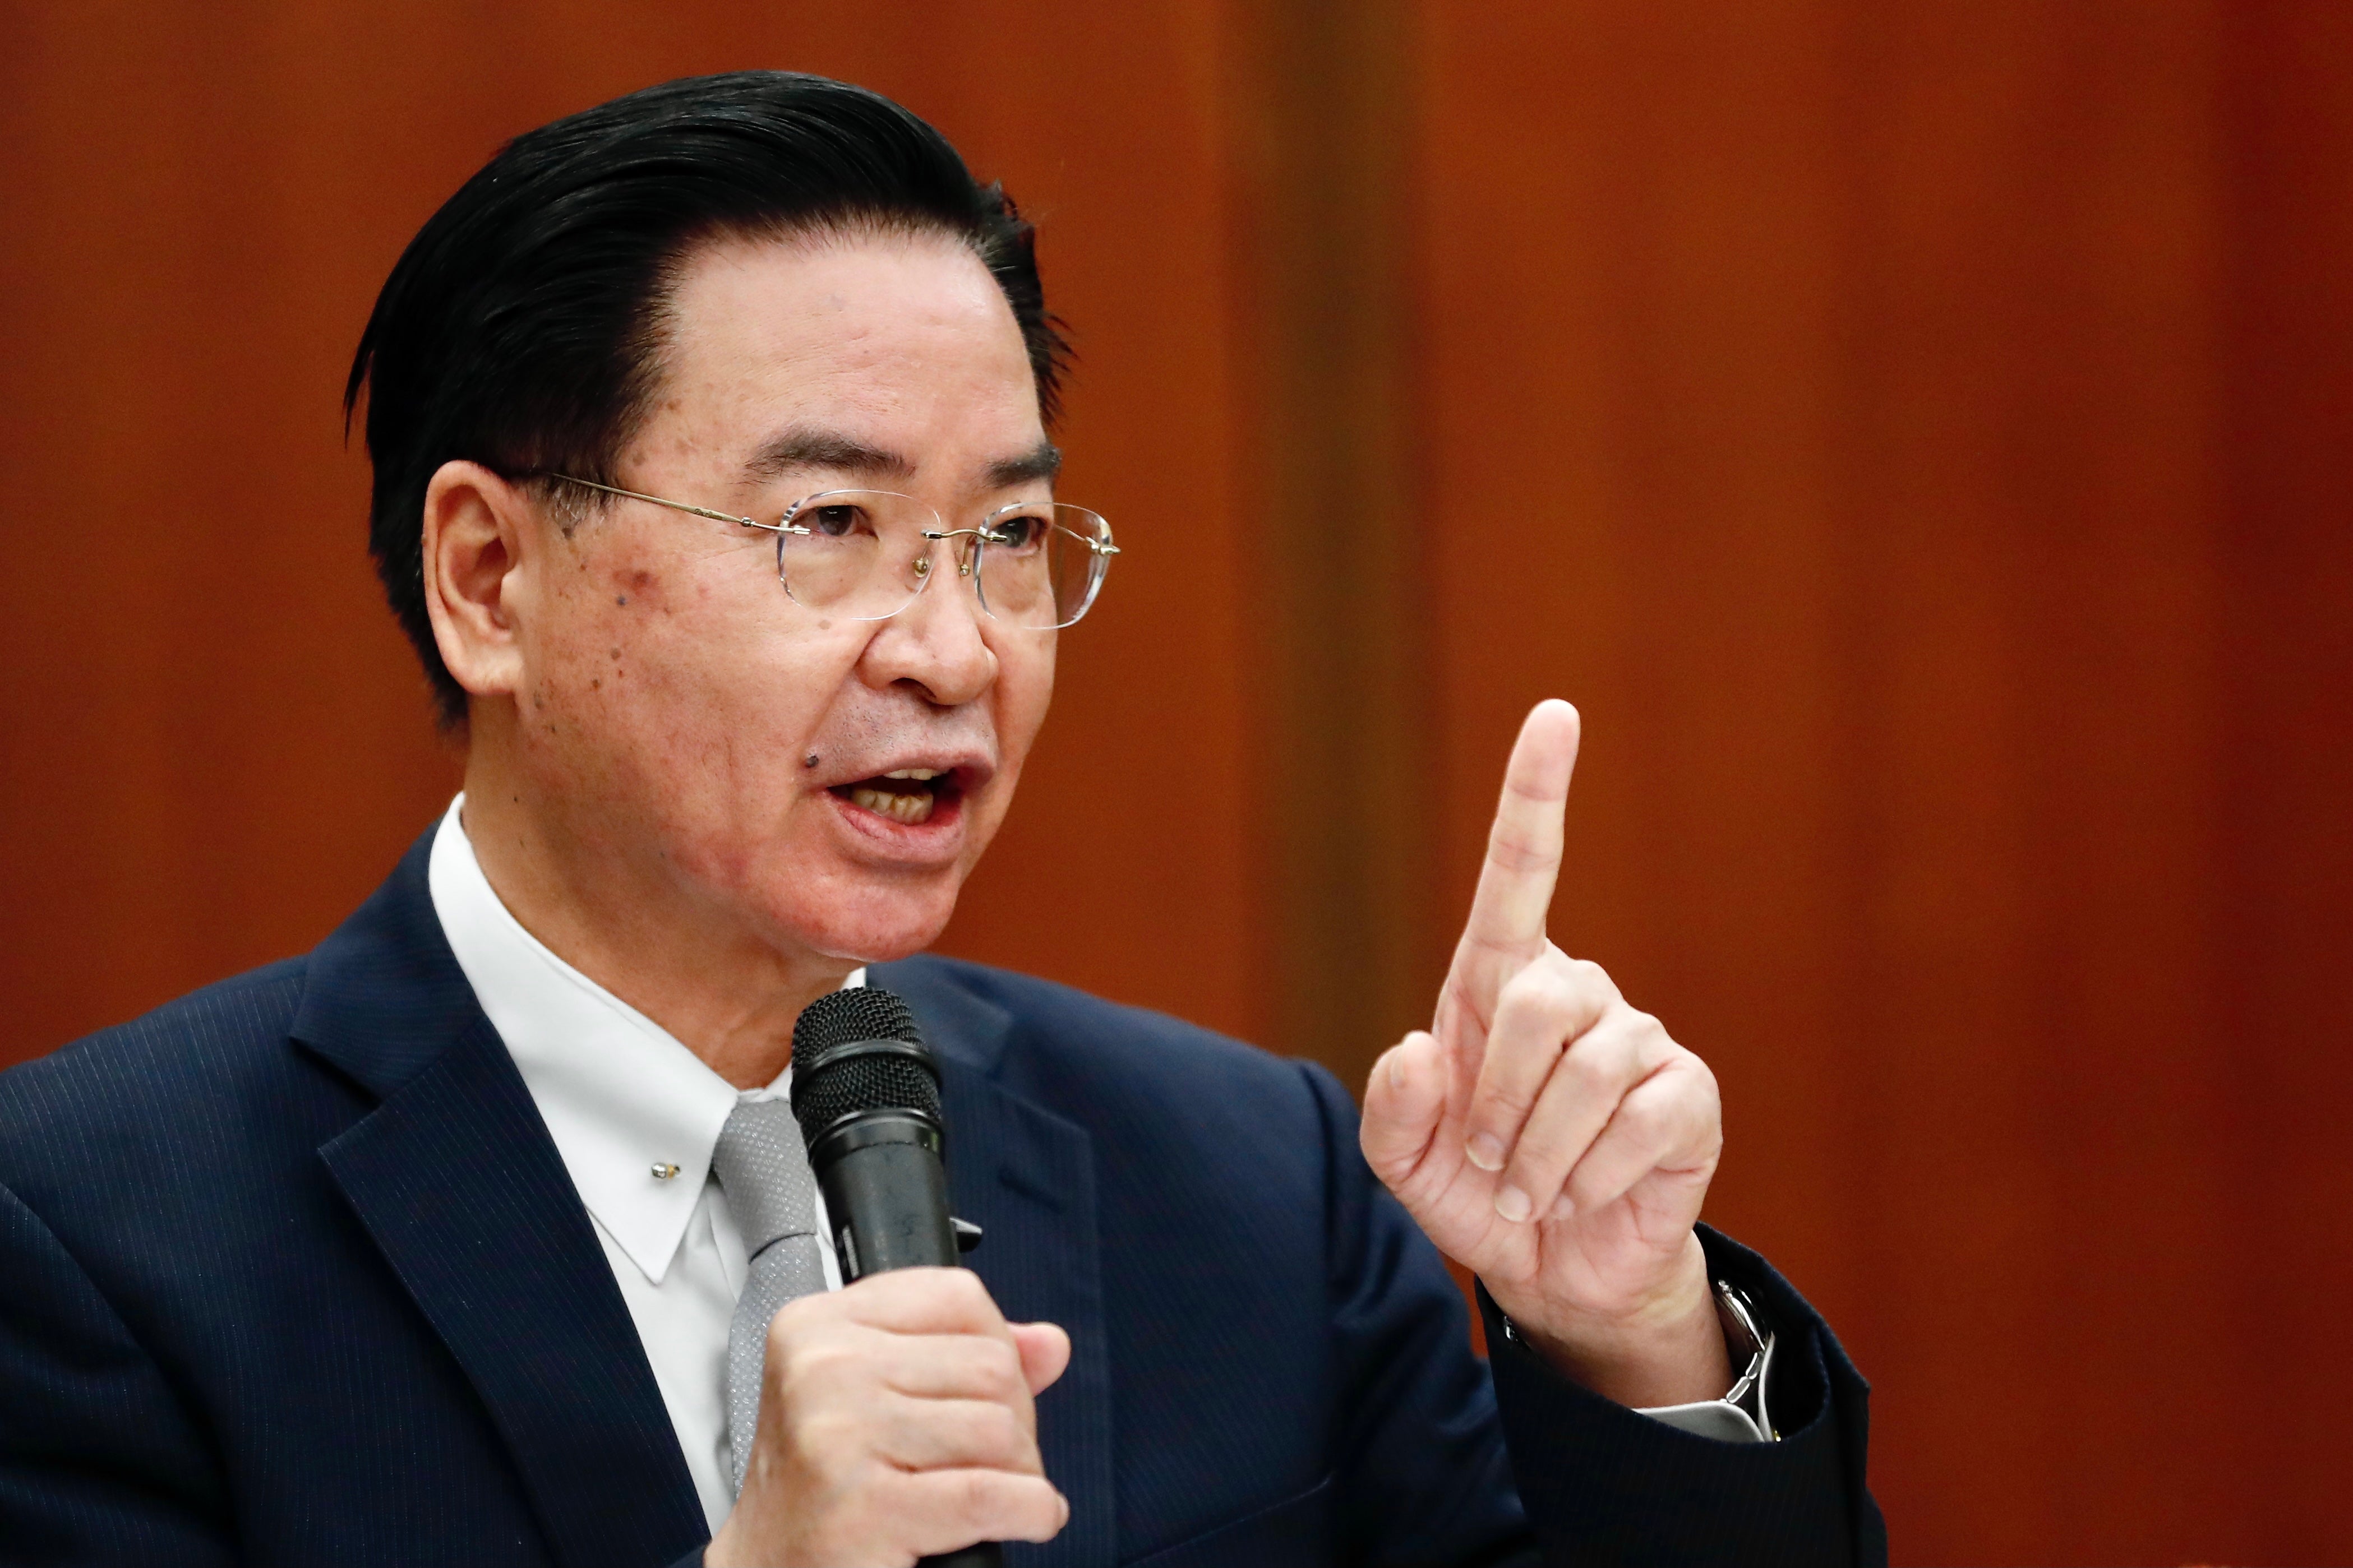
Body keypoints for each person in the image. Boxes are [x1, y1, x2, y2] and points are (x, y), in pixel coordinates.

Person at [0, 72, 1884, 1567]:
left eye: (1005, 535)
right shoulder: (94, 1236)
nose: (957, 644)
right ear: (492, 579)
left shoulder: (1247, 1181)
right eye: (831, 526)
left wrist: (1629, 1346)